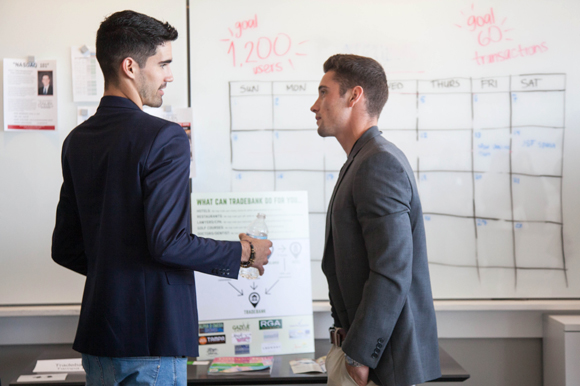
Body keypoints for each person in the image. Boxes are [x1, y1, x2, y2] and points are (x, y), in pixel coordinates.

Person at [51, 10, 271, 386]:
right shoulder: (164, 137)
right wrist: (245, 254)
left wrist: (117, 275)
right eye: (164, 64)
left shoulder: (77, 140)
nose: (169, 75)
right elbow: (167, 243)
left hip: (99, 341)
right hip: (151, 341)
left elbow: (65, 248)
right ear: (130, 67)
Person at [311, 54, 440, 386]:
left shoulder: (378, 163)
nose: (315, 105)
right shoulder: (362, 159)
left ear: (354, 96)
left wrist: (359, 356)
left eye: (324, 92)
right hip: (368, 360)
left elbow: (391, 268)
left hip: (381, 367)